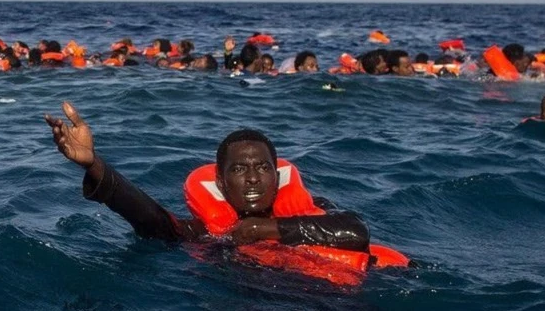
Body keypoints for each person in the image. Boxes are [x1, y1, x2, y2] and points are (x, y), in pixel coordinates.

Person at [44, 102, 370, 249]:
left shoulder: (311, 210)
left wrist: (265, 229)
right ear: (220, 182)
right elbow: (151, 219)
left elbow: (356, 232)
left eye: (263, 168)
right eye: (239, 169)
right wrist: (93, 165)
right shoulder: (207, 234)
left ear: (277, 175)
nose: (254, 178)